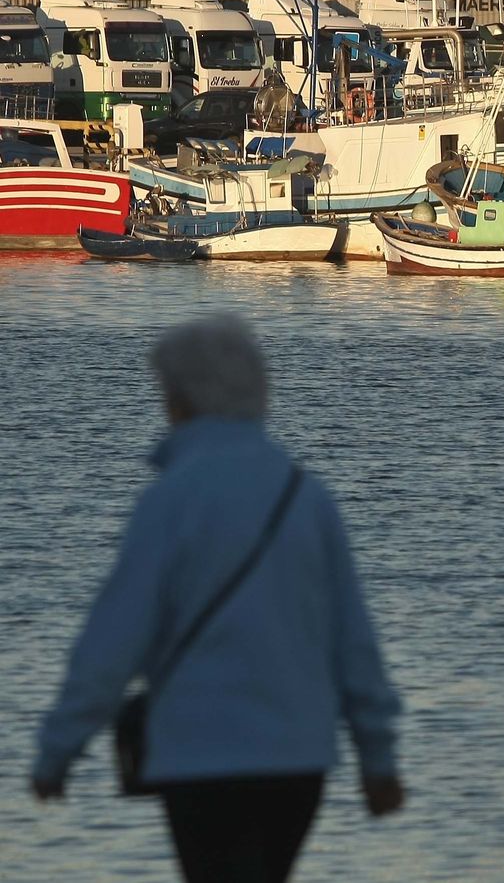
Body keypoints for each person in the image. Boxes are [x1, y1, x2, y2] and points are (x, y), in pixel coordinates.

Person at [31, 313, 403, 883]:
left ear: (181, 400)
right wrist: (377, 758)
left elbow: (113, 641)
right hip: (296, 760)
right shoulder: (308, 498)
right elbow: (354, 643)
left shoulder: (169, 501)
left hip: (198, 756)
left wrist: (59, 749)